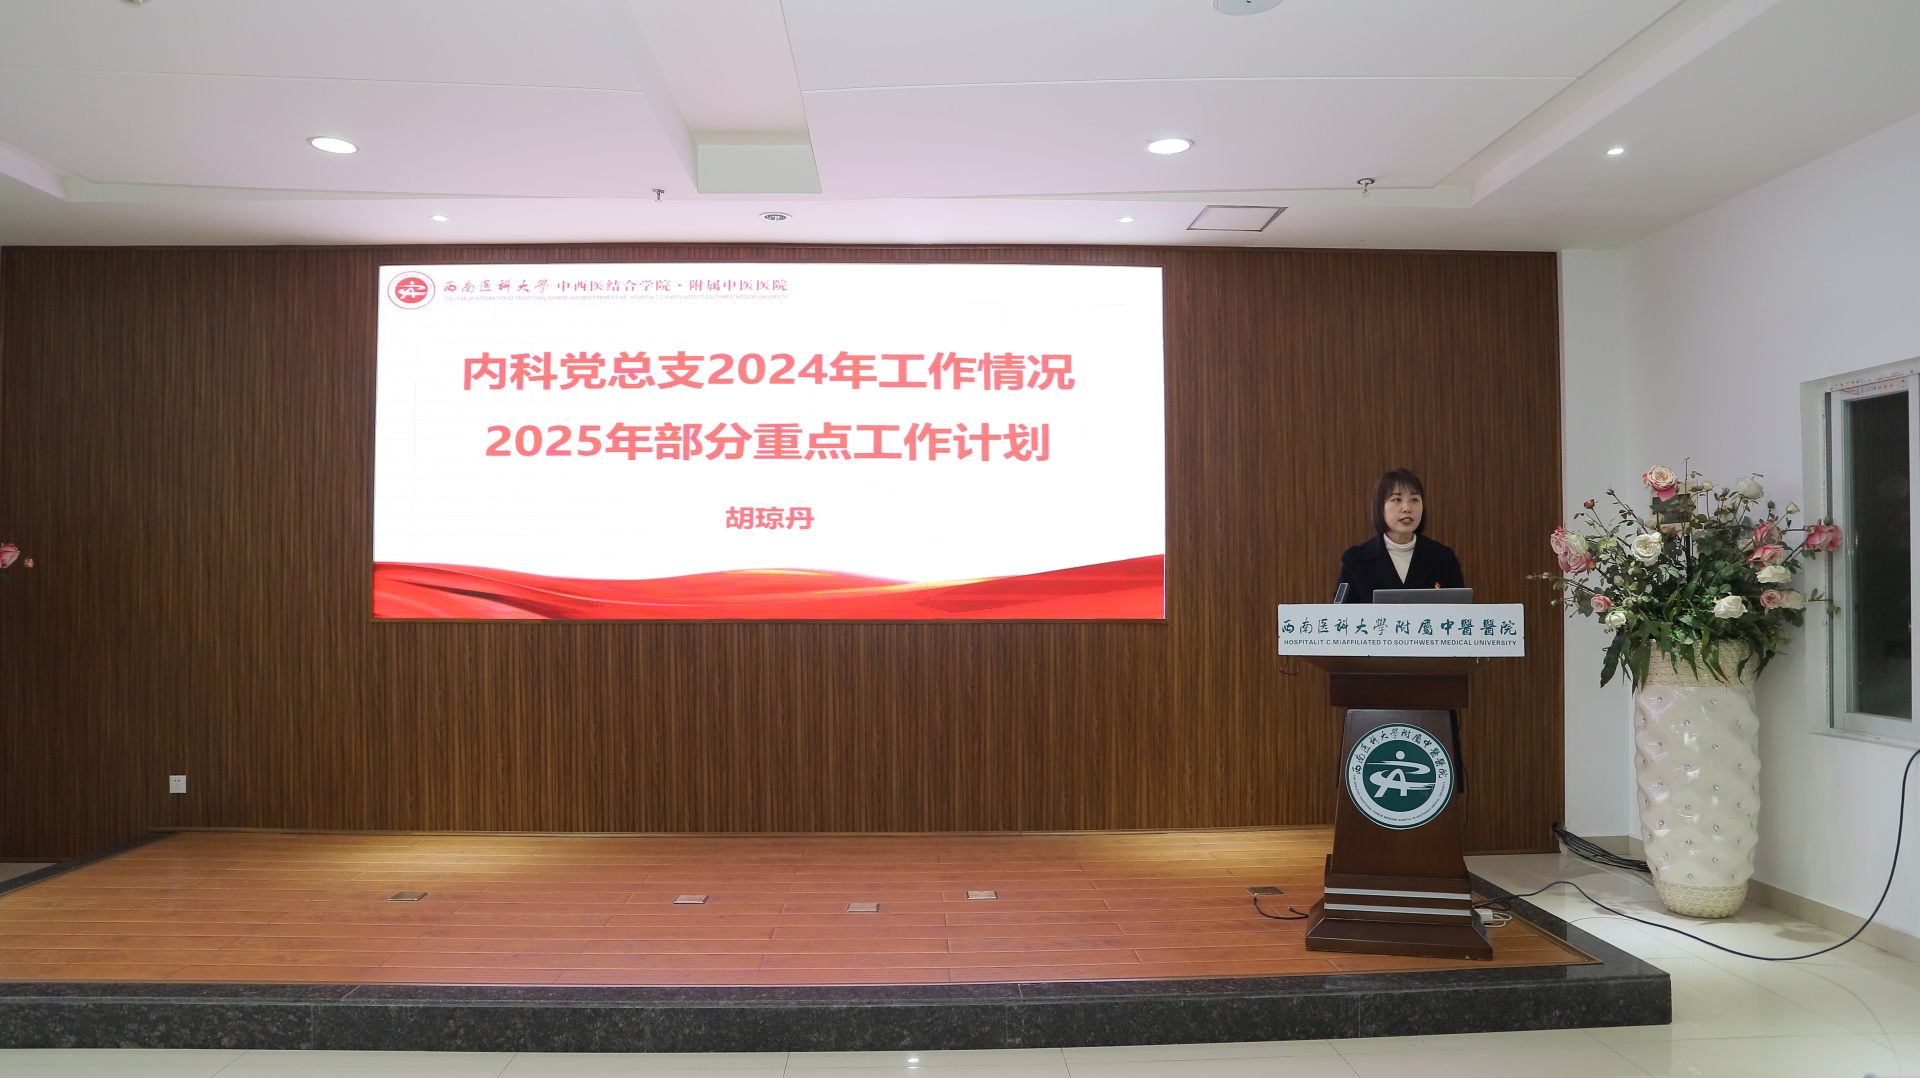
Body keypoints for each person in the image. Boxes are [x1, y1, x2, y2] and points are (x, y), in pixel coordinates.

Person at [1334, 469, 1465, 603]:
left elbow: (1461, 610)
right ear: (1380, 506)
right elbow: (1340, 614)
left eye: (1414, 499)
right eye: (1397, 499)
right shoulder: (1355, 560)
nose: (1407, 508)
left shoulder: (1443, 558)